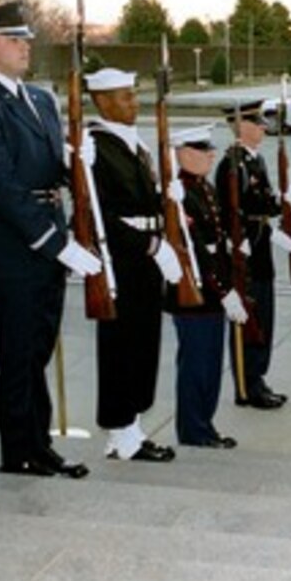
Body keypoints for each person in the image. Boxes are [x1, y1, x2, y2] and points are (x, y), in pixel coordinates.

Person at [0, 1, 99, 479]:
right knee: (16, 352)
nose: (24, 47)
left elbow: (52, 170)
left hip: (48, 235)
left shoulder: (39, 99)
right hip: (12, 245)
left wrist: (80, 161)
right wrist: (54, 243)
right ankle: (17, 450)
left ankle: (40, 443)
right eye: (14, 40)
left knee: (39, 346)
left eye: (25, 39)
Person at [85, 68, 178, 463]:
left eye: (133, 95)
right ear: (102, 102)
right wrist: (151, 245)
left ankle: (131, 429)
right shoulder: (95, 146)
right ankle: (120, 430)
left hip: (145, 259)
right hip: (122, 259)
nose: (133, 103)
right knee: (121, 346)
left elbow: (140, 200)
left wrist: (165, 199)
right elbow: (98, 214)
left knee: (143, 343)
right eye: (124, 97)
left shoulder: (131, 143)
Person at [169, 124, 241, 449]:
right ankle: (193, 429)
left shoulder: (203, 187)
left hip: (212, 291)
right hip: (196, 292)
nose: (211, 153)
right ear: (182, 153)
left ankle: (204, 425)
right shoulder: (178, 193)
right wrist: (224, 291)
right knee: (197, 363)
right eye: (202, 149)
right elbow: (196, 249)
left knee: (211, 362)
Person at [216, 101, 286, 410]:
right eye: (256, 122)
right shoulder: (232, 164)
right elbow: (229, 211)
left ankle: (258, 377)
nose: (262, 127)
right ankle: (247, 385)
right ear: (240, 125)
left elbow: (264, 204)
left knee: (264, 316)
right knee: (251, 316)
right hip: (246, 252)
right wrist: (237, 242)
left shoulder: (254, 160)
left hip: (261, 248)